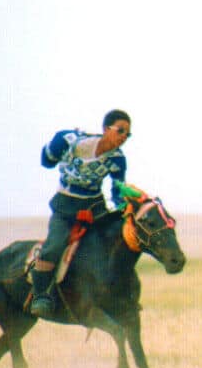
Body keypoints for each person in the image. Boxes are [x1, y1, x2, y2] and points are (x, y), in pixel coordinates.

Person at [29, 110, 132, 318]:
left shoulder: (118, 160)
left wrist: (124, 207)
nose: (123, 137)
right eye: (120, 131)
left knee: (113, 242)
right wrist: (54, 148)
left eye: (127, 135)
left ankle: (119, 294)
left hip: (94, 208)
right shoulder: (73, 142)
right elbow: (47, 160)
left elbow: (117, 190)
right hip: (65, 207)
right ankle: (41, 296)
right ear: (105, 129)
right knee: (54, 247)